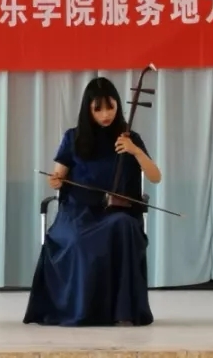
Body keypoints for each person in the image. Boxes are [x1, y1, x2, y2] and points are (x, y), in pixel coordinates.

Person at [23, 77, 161, 327]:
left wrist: (136, 151)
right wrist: (55, 181)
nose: (106, 115)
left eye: (111, 107)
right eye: (98, 109)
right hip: (77, 212)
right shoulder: (73, 137)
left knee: (124, 226)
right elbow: (58, 176)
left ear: (118, 105)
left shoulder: (130, 138)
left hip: (116, 212)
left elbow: (155, 177)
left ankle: (122, 312)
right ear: (88, 109)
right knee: (77, 240)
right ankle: (81, 311)